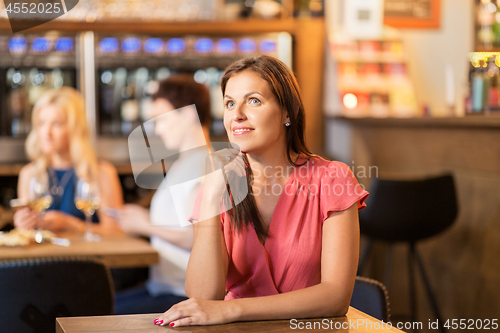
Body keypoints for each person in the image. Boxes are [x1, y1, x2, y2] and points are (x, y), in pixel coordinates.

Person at [154, 55, 369, 327]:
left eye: (253, 100)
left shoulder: (331, 178)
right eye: (230, 103)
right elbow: (202, 296)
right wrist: (209, 197)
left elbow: (336, 298)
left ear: (287, 112)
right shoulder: (217, 186)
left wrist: (233, 310)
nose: (237, 114)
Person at [115, 74, 212, 314]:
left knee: (91, 310)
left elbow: (200, 238)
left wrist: (145, 225)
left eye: (161, 119)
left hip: (180, 295)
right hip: (162, 287)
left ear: (188, 114)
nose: (157, 129)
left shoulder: (204, 166)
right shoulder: (186, 162)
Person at [13, 87, 123, 234]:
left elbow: (116, 232)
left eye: (56, 124)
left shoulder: (103, 173)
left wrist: (70, 224)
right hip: (45, 257)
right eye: (41, 123)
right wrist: (23, 224)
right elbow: (29, 234)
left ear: (75, 128)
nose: (47, 133)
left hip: (90, 257)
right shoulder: (29, 174)